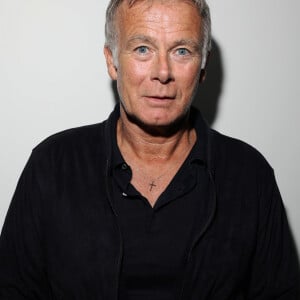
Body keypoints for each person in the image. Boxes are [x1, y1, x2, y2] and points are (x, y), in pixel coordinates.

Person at [0, 0, 299, 299]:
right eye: (143, 49)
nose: (163, 72)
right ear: (111, 61)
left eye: (182, 51)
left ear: (203, 66)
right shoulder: (53, 165)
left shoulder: (249, 175)